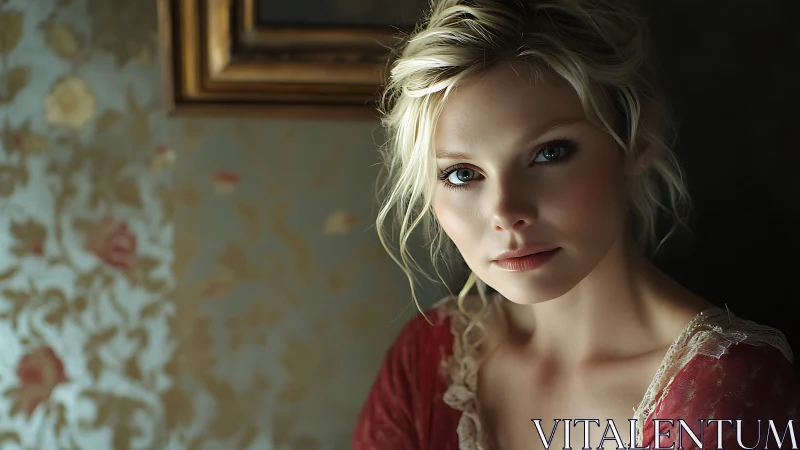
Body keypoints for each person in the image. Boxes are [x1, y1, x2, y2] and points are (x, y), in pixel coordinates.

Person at [353, 0, 799, 449]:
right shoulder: (427, 360)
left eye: (549, 153)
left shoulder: (728, 386)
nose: (506, 212)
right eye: (463, 174)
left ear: (638, 139)